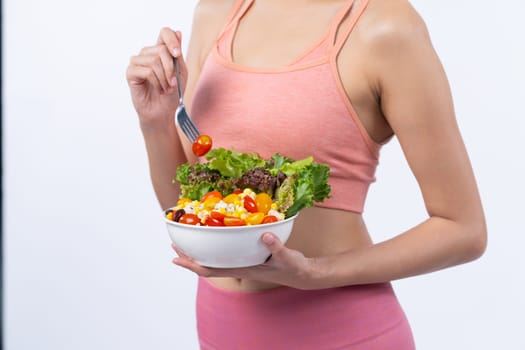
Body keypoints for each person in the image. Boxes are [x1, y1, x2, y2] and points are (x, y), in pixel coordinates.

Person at [126, 0, 487, 348]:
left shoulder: (385, 26)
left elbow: (463, 229)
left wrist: (315, 272)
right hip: (220, 328)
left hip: (339, 332)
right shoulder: (217, 12)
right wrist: (155, 122)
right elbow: (188, 208)